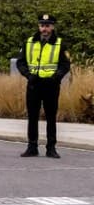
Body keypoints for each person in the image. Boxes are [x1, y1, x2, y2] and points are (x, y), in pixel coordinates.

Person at [16, 12, 71, 158]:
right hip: (34, 85)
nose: (44, 28)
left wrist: (56, 77)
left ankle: (51, 148)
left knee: (51, 117)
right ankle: (32, 146)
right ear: (38, 26)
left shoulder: (59, 44)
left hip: (51, 86)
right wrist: (28, 75)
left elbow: (65, 65)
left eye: (47, 26)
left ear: (52, 27)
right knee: (32, 116)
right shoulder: (29, 42)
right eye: (42, 25)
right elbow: (20, 62)